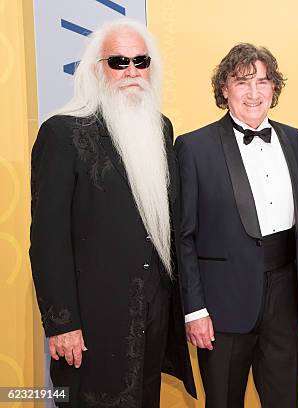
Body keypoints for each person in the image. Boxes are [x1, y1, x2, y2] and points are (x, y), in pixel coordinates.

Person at [29, 19, 196, 407]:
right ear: (96, 70)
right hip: (92, 323)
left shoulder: (159, 127)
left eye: (141, 61)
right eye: (119, 62)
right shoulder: (62, 134)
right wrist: (62, 324)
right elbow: (47, 241)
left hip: (152, 318)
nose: (132, 72)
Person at [175, 43, 298, 408]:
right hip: (221, 306)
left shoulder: (295, 140)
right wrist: (194, 309)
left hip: (286, 299)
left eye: (263, 82)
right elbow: (184, 236)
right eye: (242, 83)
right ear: (224, 89)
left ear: (275, 89)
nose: (254, 93)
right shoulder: (194, 147)